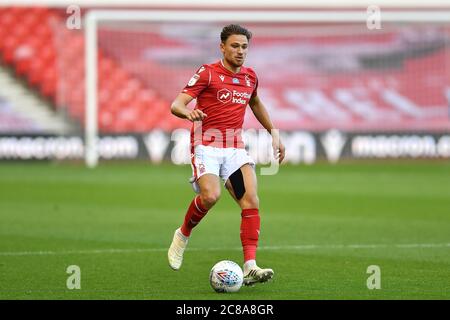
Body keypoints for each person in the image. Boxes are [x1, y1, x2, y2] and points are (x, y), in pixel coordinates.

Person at [168, 24, 285, 286]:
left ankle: (250, 266)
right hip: (206, 146)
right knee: (210, 196)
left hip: (234, 149)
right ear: (222, 46)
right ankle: (182, 235)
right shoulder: (207, 73)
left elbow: (255, 102)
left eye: (244, 46)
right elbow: (177, 104)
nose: (240, 51)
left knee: (251, 200)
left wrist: (273, 133)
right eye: (235, 45)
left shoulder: (250, 77)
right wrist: (188, 113)